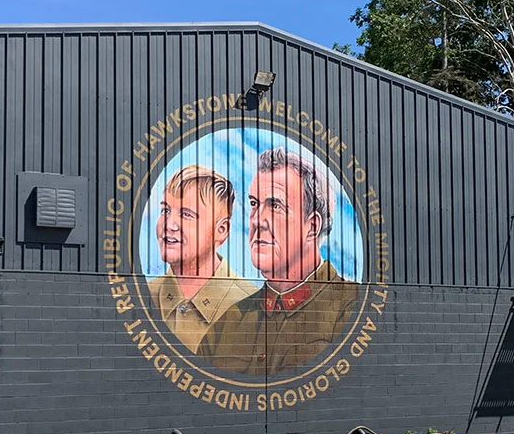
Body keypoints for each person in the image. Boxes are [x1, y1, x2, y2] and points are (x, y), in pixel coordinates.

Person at [199, 147, 359, 374]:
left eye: (275, 206)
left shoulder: (352, 309)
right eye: (254, 204)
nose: (257, 220)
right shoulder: (228, 323)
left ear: (312, 226)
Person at [147, 164, 257, 349]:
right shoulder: (142, 298)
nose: (169, 224)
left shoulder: (251, 308)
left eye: (186, 214)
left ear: (221, 230)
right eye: (165, 210)